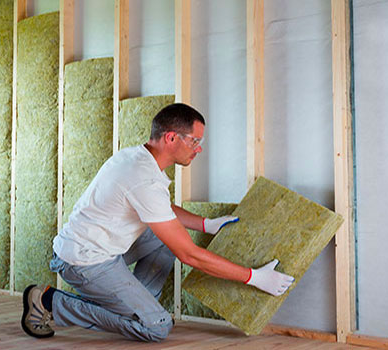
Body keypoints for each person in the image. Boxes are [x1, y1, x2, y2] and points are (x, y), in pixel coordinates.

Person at [20, 103, 294, 342]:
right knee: (155, 327)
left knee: (166, 240)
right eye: (194, 141)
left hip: (102, 247)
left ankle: (135, 306)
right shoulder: (143, 177)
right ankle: (48, 302)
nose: (198, 149)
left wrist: (205, 224)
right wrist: (254, 277)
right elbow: (189, 255)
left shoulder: (138, 158)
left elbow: (160, 210)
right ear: (172, 137)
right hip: (83, 261)